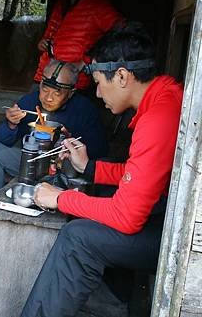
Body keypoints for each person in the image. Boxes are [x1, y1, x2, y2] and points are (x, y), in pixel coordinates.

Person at [20, 22, 183, 317]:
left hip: (176, 240)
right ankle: (114, 296)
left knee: (77, 236)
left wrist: (58, 198)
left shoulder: (157, 119)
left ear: (122, 76)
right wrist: (89, 167)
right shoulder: (164, 98)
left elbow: (126, 218)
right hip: (167, 214)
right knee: (103, 191)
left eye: (98, 82)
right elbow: (141, 176)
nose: (97, 93)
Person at [0, 59, 108, 199]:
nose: (48, 98)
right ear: (40, 85)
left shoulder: (85, 110)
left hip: (65, 172)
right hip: (29, 166)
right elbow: (4, 140)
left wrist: (70, 140)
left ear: (71, 93)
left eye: (57, 93)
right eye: (45, 90)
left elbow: (100, 150)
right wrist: (11, 124)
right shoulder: (29, 102)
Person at [34, 0, 122, 92]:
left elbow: (121, 32)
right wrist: (42, 43)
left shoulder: (97, 4)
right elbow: (48, 36)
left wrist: (88, 60)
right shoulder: (61, 4)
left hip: (73, 82)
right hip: (44, 74)